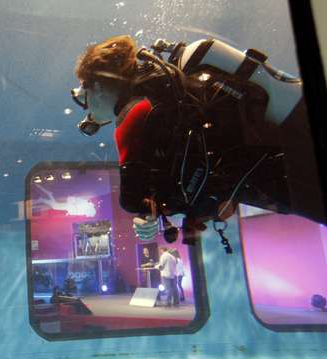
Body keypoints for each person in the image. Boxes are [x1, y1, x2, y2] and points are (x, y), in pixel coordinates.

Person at [72, 35, 326, 245]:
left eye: (83, 90)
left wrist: (145, 211)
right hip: (286, 146)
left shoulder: (131, 118)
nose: (83, 101)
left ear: (99, 86)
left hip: (283, 175)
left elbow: (131, 198)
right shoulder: (163, 99)